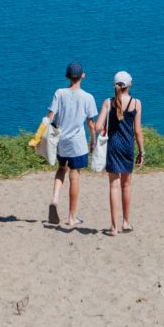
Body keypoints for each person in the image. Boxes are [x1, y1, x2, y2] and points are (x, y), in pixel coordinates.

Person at [43, 61, 97, 228]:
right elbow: (90, 124)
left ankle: (55, 199)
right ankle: (72, 217)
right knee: (75, 177)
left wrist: (42, 137)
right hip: (78, 142)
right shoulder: (88, 97)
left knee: (61, 169)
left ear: (67, 76)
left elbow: (50, 117)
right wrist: (93, 141)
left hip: (62, 141)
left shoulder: (59, 93)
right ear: (83, 76)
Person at [98, 70, 144, 235]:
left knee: (113, 185)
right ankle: (126, 222)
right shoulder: (136, 103)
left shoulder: (107, 102)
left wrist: (103, 129)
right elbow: (137, 131)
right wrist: (142, 151)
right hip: (127, 147)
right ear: (129, 85)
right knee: (126, 185)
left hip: (113, 147)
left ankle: (113, 227)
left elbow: (97, 127)